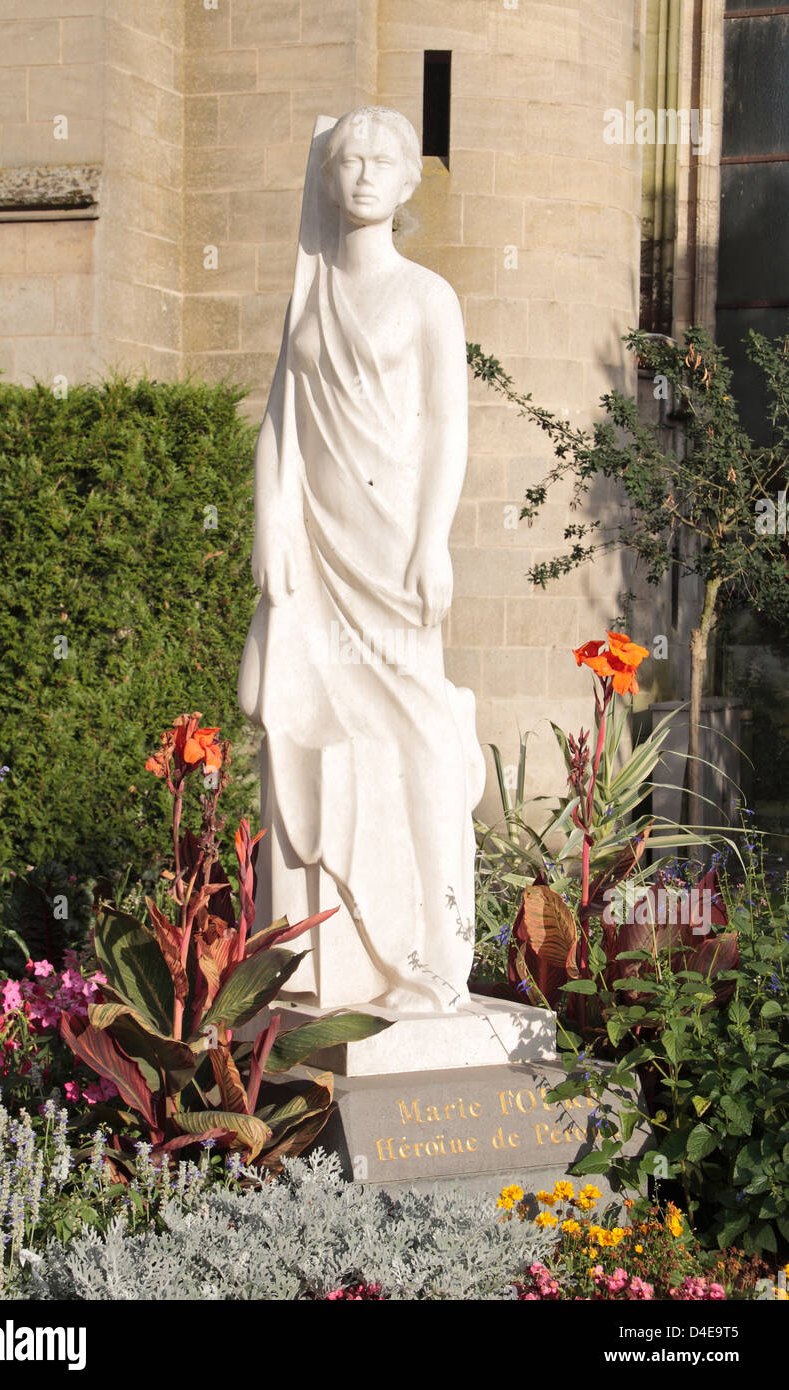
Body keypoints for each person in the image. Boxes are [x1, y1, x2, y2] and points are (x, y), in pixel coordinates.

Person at [238, 107, 486, 1013]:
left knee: (419, 733)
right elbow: (279, 421)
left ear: (410, 179)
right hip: (316, 550)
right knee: (314, 733)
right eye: (349, 159)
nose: (366, 175)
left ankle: (433, 954)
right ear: (327, 173)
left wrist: (431, 539)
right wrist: (270, 523)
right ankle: (340, 960)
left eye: (385, 161)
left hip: (390, 555)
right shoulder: (308, 295)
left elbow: (450, 430)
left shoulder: (427, 297)